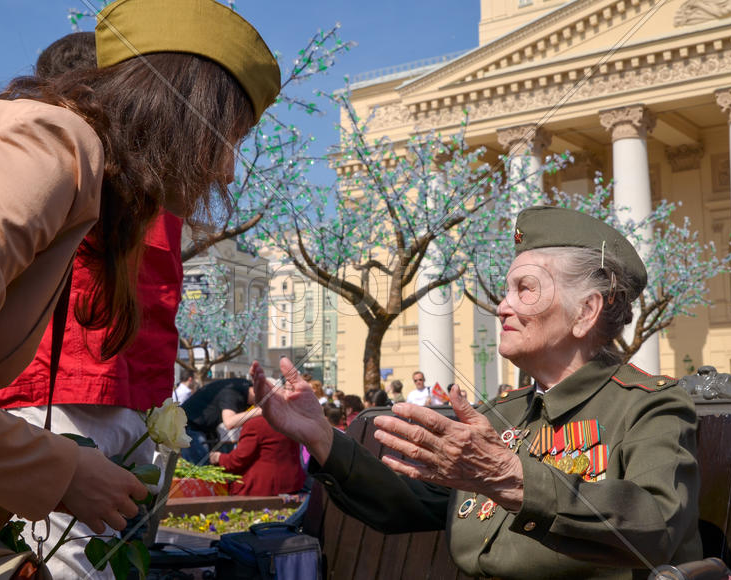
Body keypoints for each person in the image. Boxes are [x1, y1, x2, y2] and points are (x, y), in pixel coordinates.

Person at [0, 0, 280, 574]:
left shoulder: (70, 161)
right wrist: (63, 470)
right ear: (183, 114)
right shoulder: (50, 148)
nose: (224, 172)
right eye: (227, 139)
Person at [252, 206, 702, 578]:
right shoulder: (501, 414)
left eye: (524, 289)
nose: (501, 306)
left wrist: (509, 476)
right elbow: (412, 502)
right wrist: (321, 438)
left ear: (586, 311)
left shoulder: (647, 405)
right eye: (507, 289)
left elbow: (656, 523)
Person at [0, 30, 187, 579]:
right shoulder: (151, 173)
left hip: (54, 392)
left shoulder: (60, 155)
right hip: (123, 399)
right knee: (103, 557)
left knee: (60, 563)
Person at [208, 415, 306, 496]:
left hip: (262, 488)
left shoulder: (256, 423)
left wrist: (219, 457)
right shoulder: (292, 420)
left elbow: (238, 459)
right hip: (292, 484)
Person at [181, 378, 260, 463]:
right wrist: (259, 411)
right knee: (200, 467)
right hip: (190, 425)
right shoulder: (233, 391)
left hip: (203, 428)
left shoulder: (244, 386)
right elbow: (229, 422)